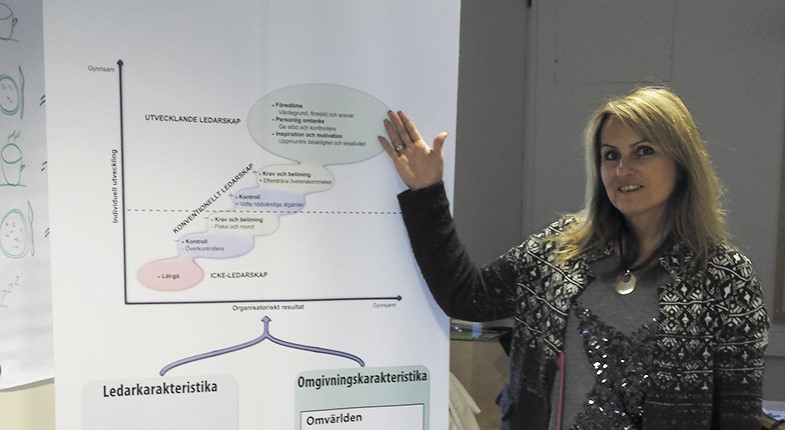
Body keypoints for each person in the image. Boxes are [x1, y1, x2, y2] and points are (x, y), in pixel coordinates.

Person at [378, 87, 769, 430]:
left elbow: (738, 416)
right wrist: (427, 192)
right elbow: (469, 296)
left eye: (644, 151)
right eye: (610, 155)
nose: (622, 169)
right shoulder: (560, 249)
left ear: (682, 162)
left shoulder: (725, 276)